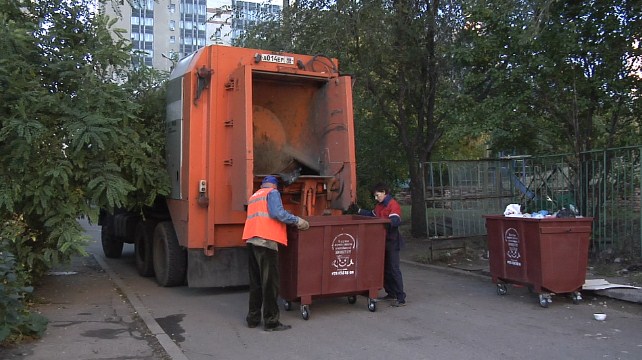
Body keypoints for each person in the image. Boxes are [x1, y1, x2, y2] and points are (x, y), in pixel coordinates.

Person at [242, 175, 310, 331]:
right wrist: (298, 221)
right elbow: (277, 213)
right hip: (266, 243)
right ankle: (271, 322)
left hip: (252, 242)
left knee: (256, 284)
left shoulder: (254, 196)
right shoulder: (272, 193)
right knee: (270, 285)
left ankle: (252, 319)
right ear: (274, 186)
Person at [357, 183, 406, 307]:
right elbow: (372, 215)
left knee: (394, 269)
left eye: (377, 195)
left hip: (392, 240)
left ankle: (401, 297)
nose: (376, 198)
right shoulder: (379, 206)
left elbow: (395, 220)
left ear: (384, 192)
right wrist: (359, 211)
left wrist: (384, 223)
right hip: (382, 241)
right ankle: (391, 293)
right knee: (385, 268)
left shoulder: (392, 205)